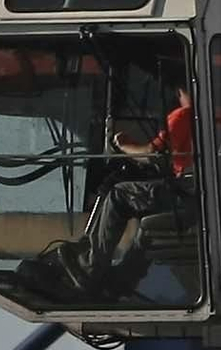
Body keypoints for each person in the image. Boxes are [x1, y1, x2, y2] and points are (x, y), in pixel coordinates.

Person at [18, 74, 197, 300]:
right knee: (151, 226)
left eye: (179, 92)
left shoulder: (186, 115)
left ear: (183, 91)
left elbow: (153, 154)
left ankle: (90, 269)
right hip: (198, 197)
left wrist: (124, 146)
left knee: (118, 195)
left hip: (189, 192)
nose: (178, 97)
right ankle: (119, 283)